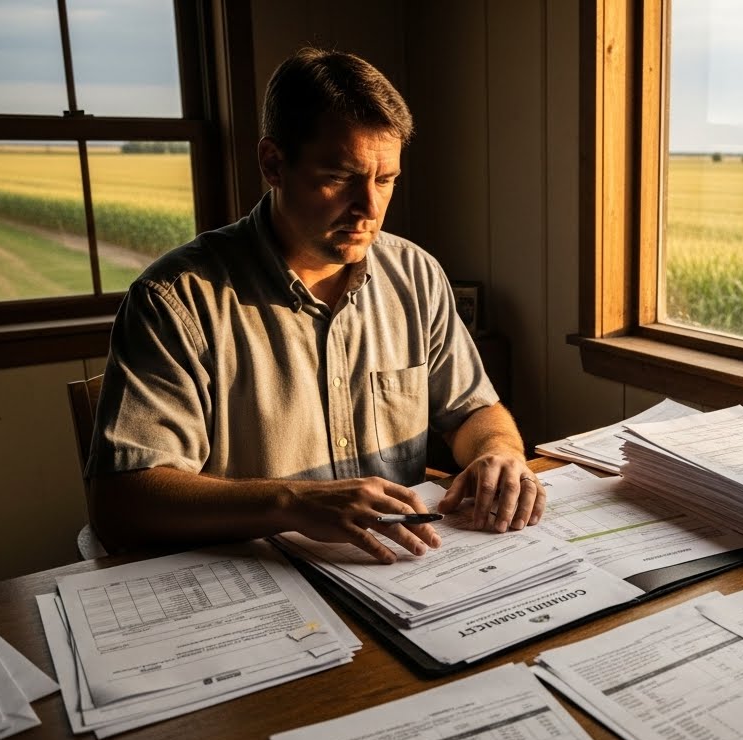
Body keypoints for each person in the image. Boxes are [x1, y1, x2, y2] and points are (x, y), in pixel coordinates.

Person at [85, 47, 544, 564]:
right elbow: (121, 500)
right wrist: (292, 503)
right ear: (273, 164)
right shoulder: (177, 300)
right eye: (340, 176)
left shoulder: (415, 275)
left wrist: (498, 453)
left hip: (399, 571)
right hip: (253, 579)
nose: (369, 208)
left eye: (385, 180)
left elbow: (474, 411)